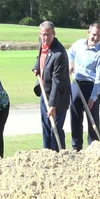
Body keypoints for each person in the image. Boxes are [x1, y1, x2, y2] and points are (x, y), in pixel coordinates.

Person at [66, 23, 100, 151]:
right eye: (94, 34)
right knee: (75, 118)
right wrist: (70, 63)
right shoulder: (78, 44)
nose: (96, 38)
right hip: (76, 84)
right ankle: (76, 147)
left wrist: (93, 97)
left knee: (92, 119)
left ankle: (94, 148)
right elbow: (69, 53)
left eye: (99, 35)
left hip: (91, 87)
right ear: (88, 33)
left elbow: (99, 79)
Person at [32, 21, 70, 152]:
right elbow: (40, 55)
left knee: (56, 129)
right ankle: (46, 154)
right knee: (46, 127)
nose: (45, 38)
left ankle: (59, 156)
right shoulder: (42, 41)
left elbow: (57, 82)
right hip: (45, 92)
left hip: (58, 96)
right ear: (40, 34)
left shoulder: (58, 54)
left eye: (48, 35)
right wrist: (37, 67)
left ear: (54, 34)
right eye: (43, 35)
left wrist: (53, 106)